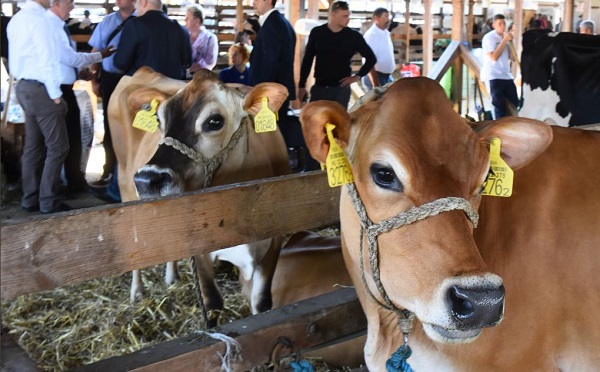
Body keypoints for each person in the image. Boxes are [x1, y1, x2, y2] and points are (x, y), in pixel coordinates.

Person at [7, 0, 70, 213]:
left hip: (23, 85)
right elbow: (48, 60)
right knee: (58, 146)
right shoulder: (40, 20)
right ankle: (49, 201)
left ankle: (30, 198)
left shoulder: (17, 19)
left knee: (33, 146)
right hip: (42, 89)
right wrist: (55, 95)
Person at [47, 0, 114, 194]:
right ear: (57, 3)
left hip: (65, 85)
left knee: (71, 136)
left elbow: (63, 61)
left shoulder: (60, 26)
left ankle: (73, 180)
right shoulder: (52, 26)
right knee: (66, 139)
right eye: (70, 2)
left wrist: (77, 74)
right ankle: (69, 184)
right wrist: (99, 56)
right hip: (58, 89)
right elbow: (69, 58)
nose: (72, 7)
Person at [88, 0, 135, 188]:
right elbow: (95, 51)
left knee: (133, 125)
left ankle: (130, 171)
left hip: (133, 81)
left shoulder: (141, 21)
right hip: (110, 79)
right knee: (110, 125)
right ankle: (109, 169)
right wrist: (94, 79)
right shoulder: (107, 22)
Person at [298, 1, 376, 109]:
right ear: (333, 14)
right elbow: (308, 59)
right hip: (320, 87)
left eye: (349, 15)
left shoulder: (353, 36)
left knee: (338, 124)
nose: (348, 18)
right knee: (316, 122)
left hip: (341, 90)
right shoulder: (317, 33)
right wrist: (301, 85)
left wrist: (357, 76)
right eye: (344, 16)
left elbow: (371, 58)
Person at [114, 0, 191, 80]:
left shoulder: (134, 25)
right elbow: (188, 62)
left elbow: (120, 63)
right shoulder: (180, 29)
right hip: (174, 89)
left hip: (143, 88)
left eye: (137, 2)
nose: (135, 7)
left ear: (144, 2)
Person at [249, 0, 296, 120]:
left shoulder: (272, 25)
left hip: (270, 96)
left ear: (269, 1)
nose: (253, 3)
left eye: (256, 0)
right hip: (277, 93)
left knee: (268, 136)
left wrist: (261, 95)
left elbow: (270, 63)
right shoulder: (282, 22)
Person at [480, 14, 518, 119]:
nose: (502, 26)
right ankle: (498, 130)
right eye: (499, 24)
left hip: (506, 75)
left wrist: (511, 42)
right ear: (494, 25)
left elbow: (513, 57)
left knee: (514, 104)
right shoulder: (489, 38)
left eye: (504, 23)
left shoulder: (506, 37)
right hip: (493, 75)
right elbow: (494, 57)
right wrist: (504, 40)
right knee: (498, 106)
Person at [362, 7, 394, 91]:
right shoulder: (372, 36)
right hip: (376, 78)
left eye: (388, 17)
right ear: (376, 18)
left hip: (386, 77)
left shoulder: (385, 33)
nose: (388, 20)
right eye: (385, 16)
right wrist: (375, 83)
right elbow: (368, 60)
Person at [185, 4, 218, 73]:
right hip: (182, 76)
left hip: (202, 76)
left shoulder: (210, 38)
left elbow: (210, 62)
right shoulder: (183, 35)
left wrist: (193, 68)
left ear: (197, 21)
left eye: (188, 18)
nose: (185, 20)